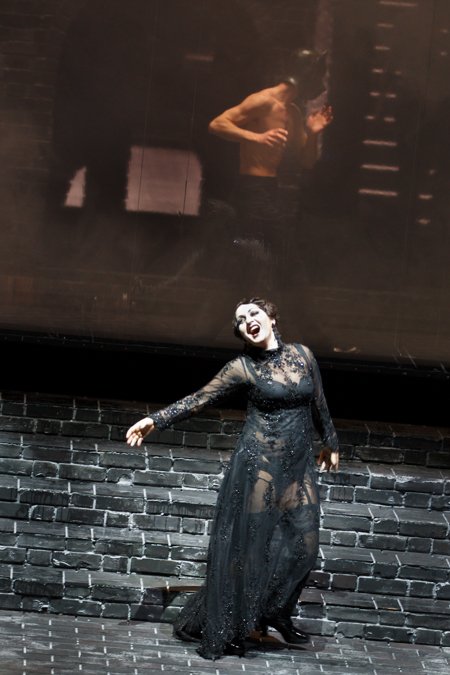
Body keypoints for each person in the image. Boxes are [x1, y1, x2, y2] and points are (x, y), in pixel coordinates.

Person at [126, 297, 339, 660]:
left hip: (298, 466)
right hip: (259, 466)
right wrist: (155, 420)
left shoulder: (303, 355)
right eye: (240, 320)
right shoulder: (242, 367)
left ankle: (276, 612)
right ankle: (232, 626)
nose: (247, 321)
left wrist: (331, 441)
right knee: (248, 552)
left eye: (254, 313)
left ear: (272, 318)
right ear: (241, 333)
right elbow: (199, 399)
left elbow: (318, 401)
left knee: (305, 547)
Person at [206, 50, 333, 273]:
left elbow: (307, 161)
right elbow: (216, 124)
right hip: (251, 188)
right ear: (306, 74)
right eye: (319, 77)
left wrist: (313, 134)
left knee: (270, 260)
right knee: (270, 258)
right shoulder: (263, 101)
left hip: (270, 189)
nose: (321, 85)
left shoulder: (292, 113)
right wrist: (256, 137)